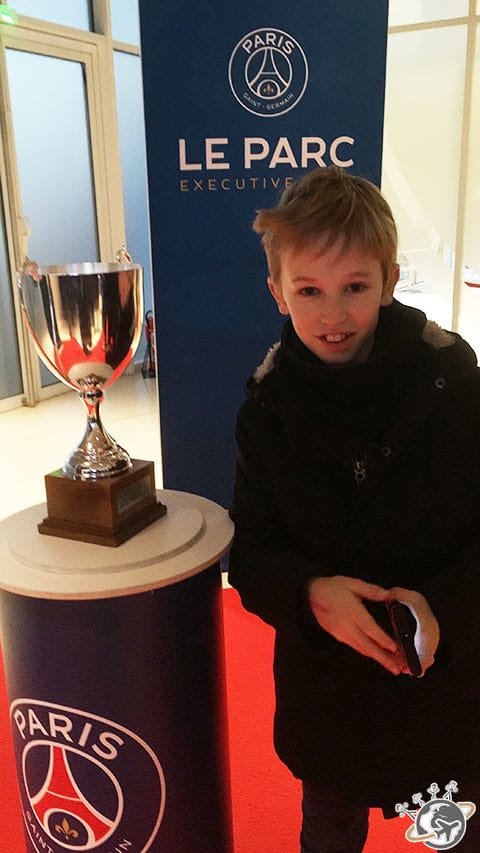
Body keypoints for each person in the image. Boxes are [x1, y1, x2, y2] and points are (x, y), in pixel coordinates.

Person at [228, 166, 480, 852]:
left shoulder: (455, 384)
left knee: (453, 827)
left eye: (355, 288)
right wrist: (309, 593)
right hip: (328, 695)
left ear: (390, 281)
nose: (332, 315)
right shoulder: (266, 409)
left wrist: (444, 612)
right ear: (278, 291)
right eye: (309, 290)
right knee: (330, 828)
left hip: (445, 682)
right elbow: (252, 550)